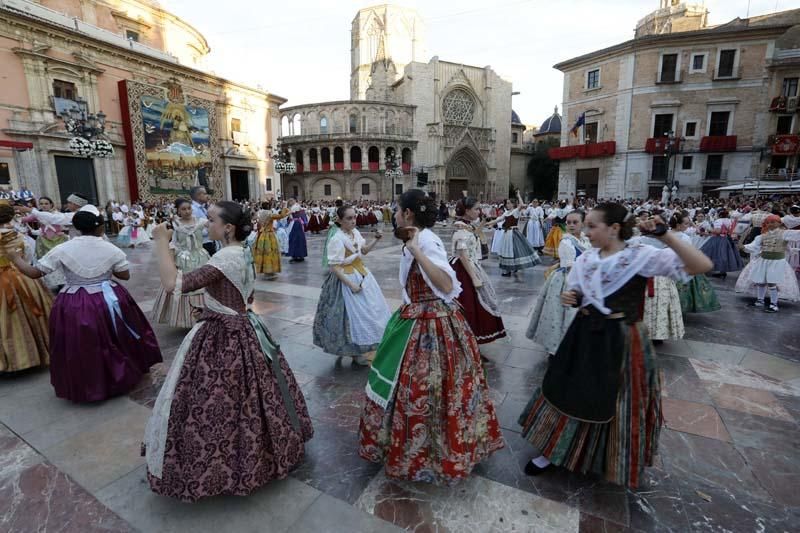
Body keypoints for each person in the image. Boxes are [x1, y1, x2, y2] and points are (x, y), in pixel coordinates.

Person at [517, 203, 712, 488]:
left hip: (622, 339)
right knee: (567, 390)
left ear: (615, 228)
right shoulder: (587, 259)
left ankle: (608, 456)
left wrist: (665, 236)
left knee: (615, 399)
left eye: (592, 226)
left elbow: (701, 266)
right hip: (583, 335)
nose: (587, 231)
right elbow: (580, 292)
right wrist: (573, 296)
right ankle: (553, 449)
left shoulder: (639, 256)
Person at [144, 201, 313, 502]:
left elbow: (173, 284)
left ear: (228, 228)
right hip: (244, 325)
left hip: (224, 335)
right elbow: (243, 294)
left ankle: (228, 465)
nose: (205, 224)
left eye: (210, 220)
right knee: (256, 395)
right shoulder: (242, 252)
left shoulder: (225, 256)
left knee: (218, 399)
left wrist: (160, 241)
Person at [359, 189, 504, 484]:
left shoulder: (425, 240)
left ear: (408, 214)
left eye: (397, 210)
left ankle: (430, 453)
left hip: (431, 324)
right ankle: (423, 449)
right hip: (417, 316)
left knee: (427, 388)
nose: (394, 214)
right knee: (424, 388)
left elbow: (446, 282)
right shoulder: (417, 238)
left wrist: (417, 252)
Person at [8, 205, 162, 402]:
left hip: (73, 301)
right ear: (99, 228)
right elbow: (124, 274)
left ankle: (87, 383)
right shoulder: (109, 247)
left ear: (77, 227)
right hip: (108, 298)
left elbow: (35, 272)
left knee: (81, 343)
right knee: (114, 337)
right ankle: (118, 375)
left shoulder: (63, 248)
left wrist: (15, 259)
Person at [313, 205, 390, 365]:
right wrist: (351, 285)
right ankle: (353, 352)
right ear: (339, 220)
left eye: (354, 217)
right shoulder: (336, 239)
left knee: (367, 312)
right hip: (345, 279)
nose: (353, 221)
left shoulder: (355, 233)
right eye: (349, 218)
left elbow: (364, 251)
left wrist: (375, 239)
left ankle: (360, 349)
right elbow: (334, 267)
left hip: (360, 273)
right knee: (348, 316)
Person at [525, 210, 589, 355]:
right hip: (568, 280)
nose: (571, 225)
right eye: (568, 222)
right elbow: (569, 266)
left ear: (583, 224)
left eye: (575, 222)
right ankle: (559, 346)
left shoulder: (586, 240)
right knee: (560, 314)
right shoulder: (566, 241)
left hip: (583, 278)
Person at [0, 201, 52, 373]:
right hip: (23, 277)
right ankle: (35, 353)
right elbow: (29, 256)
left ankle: (10, 359)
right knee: (33, 314)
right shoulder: (20, 236)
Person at [450, 197, 506, 345]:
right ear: (467, 211)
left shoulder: (467, 226)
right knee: (470, 304)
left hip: (471, 265)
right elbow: (462, 254)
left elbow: (474, 233)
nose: (479, 211)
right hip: (464, 269)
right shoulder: (460, 229)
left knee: (477, 304)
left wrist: (482, 222)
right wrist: (474, 278)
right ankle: (466, 341)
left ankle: (471, 342)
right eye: (476, 209)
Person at [151, 198, 209, 328]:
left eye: (189, 208)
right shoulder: (175, 224)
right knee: (181, 285)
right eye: (183, 209)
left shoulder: (200, 221)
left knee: (204, 284)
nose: (187, 211)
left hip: (200, 256)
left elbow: (213, 226)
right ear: (178, 210)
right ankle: (187, 319)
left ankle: (205, 315)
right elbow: (162, 234)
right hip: (183, 258)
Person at [735, 214, 800, 312]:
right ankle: (760, 300)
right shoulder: (762, 236)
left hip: (777, 261)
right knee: (761, 282)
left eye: (773, 222)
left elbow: (797, 234)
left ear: (779, 223)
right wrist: (744, 247)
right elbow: (754, 246)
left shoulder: (785, 233)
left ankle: (774, 304)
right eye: (768, 222)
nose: (770, 224)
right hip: (764, 260)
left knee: (772, 282)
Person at [670, 212, 720, 314]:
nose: (687, 226)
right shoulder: (684, 237)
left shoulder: (667, 234)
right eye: (685, 224)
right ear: (678, 225)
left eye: (688, 223)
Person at [495, 191, 540, 277]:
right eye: (506, 203)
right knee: (509, 251)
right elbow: (499, 219)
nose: (507, 205)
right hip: (507, 233)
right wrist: (488, 223)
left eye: (508, 203)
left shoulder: (515, 211)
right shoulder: (506, 212)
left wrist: (519, 195)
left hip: (513, 233)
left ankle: (509, 270)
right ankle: (511, 268)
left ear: (513, 204)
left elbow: (522, 205)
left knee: (513, 250)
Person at [700, 209, 742, 279]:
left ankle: (707, 268)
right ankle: (722, 272)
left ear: (719, 214)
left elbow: (718, 231)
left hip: (718, 239)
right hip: (726, 239)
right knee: (724, 255)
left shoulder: (719, 221)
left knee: (711, 253)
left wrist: (708, 229)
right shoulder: (729, 220)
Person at [252, 201, 289, 278]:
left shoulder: (261, 213)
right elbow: (281, 216)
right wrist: (285, 207)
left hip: (262, 235)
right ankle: (269, 271)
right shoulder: (269, 214)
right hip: (269, 234)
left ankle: (265, 271)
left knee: (263, 253)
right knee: (270, 253)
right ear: (268, 206)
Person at [190, 186, 216, 256]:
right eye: (204, 194)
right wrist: (210, 229)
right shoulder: (193, 210)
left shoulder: (203, 209)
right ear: (198, 196)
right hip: (203, 243)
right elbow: (195, 229)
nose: (207, 196)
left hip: (209, 241)